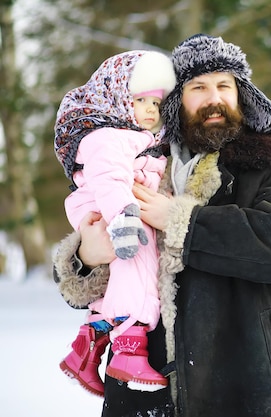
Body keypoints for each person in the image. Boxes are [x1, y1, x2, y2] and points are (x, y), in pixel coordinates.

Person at [52, 34, 271, 417]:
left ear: (241, 95)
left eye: (225, 86)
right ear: (176, 100)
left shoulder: (270, 163)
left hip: (243, 389)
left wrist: (180, 221)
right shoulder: (141, 163)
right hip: (141, 388)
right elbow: (90, 279)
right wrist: (86, 257)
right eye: (198, 87)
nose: (215, 98)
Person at [54, 50, 177, 397]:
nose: (151, 110)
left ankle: (87, 348)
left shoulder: (139, 138)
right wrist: (124, 217)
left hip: (116, 209)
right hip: (116, 211)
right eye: (141, 100)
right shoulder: (112, 135)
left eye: (157, 102)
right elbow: (109, 178)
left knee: (122, 274)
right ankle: (129, 348)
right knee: (138, 263)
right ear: (119, 98)